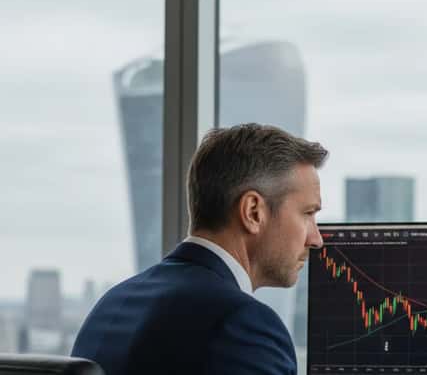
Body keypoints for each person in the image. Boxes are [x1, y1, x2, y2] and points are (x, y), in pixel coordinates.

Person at [72, 123, 327, 375]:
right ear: (253, 212)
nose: (316, 239)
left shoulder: (111, 306)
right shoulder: (243, 325)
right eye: (307, 213)